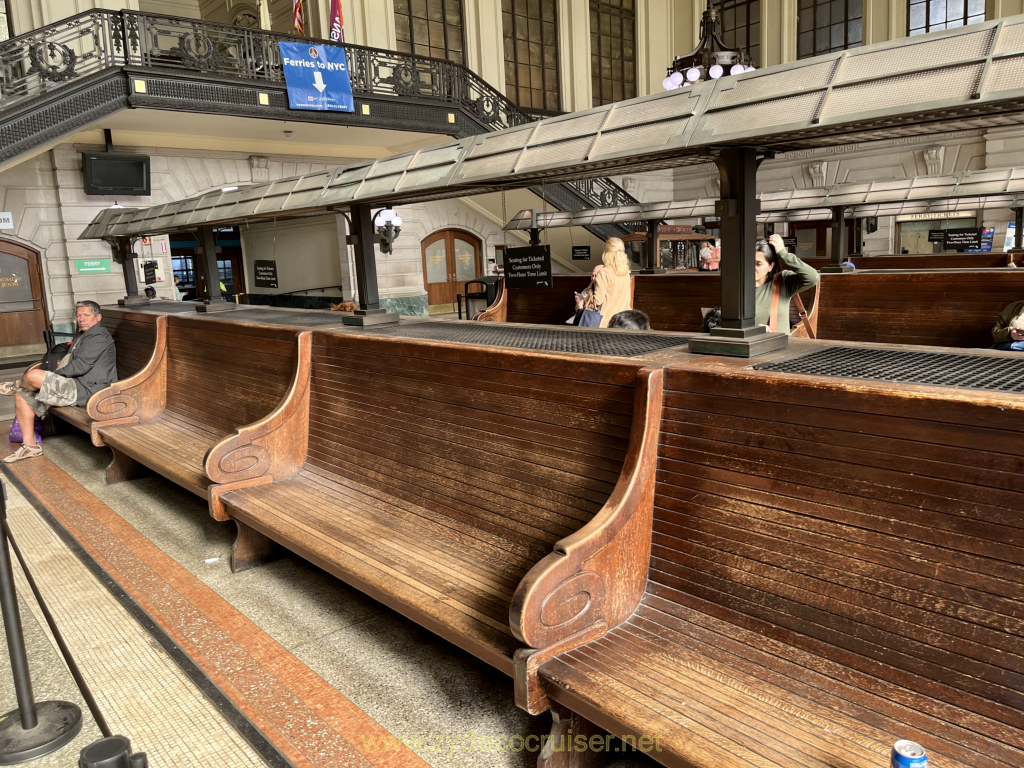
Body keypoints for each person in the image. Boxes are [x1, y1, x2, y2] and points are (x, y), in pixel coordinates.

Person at [2, 301, 117, 463]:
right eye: (79, 315)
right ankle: (30, 446)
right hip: (77, 383)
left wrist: (51, 375)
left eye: (86, 315)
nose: (81, 319)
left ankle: (17, 385)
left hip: (89, 389)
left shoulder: (98, 336)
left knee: (33, 375)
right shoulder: (85, 334)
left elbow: (80, 367)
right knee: (22, 395)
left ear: (98, 317)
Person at [755, 233, 820, 333]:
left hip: (779, 346)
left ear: (770, 266)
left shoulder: (782, 281)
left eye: (758, 264)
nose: (752, 268)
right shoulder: (738, 287)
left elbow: (813, 277)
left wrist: (784, 254)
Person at [593, 237, 632, 329]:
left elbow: (598, 301)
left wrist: (589, 295)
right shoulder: (626, 273)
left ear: (606, 253)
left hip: (607, 322)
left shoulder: (604, 272)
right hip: (624, 321)